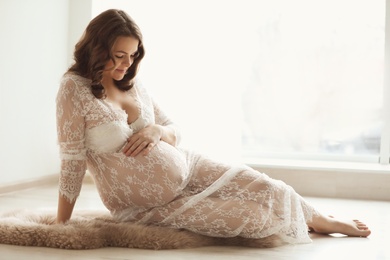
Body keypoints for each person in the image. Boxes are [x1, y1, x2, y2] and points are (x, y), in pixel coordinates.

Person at [55, 9, 371, 245]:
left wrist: (157, 131)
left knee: (268, 186)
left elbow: (173, 128)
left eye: (132, 56)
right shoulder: (74, 89)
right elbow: (72, 161)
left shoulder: (133, 84)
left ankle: (323, 220)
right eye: (118, 56)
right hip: (145, 205)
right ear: (97, 50)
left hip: (190, 166)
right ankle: (302, 222)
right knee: (253, 217)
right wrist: (61, 223)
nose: (126, 65)